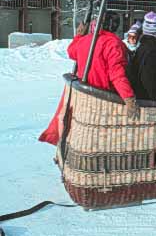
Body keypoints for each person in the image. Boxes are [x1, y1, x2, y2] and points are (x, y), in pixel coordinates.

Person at [39, 13, 138, 146]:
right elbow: (117, 75)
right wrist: (129, 98)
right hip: (103, 94)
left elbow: (71, 51)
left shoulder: (86, 40)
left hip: (86, 90)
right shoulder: (113, 43)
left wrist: (79, 35)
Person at [128, 12, 156, 101]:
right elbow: (149, 75)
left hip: (139, 92)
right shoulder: (153, 49)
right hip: (146, 97)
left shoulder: (143, 45)